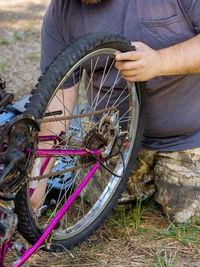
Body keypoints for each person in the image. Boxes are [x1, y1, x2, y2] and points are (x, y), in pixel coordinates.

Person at [39, 0, 200, 223]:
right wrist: (35, 182)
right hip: (110, 139)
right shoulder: (61, 11)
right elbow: (59, 100)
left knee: (188, 215)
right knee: (94, 200)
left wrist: (160, 61)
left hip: (188, 136)